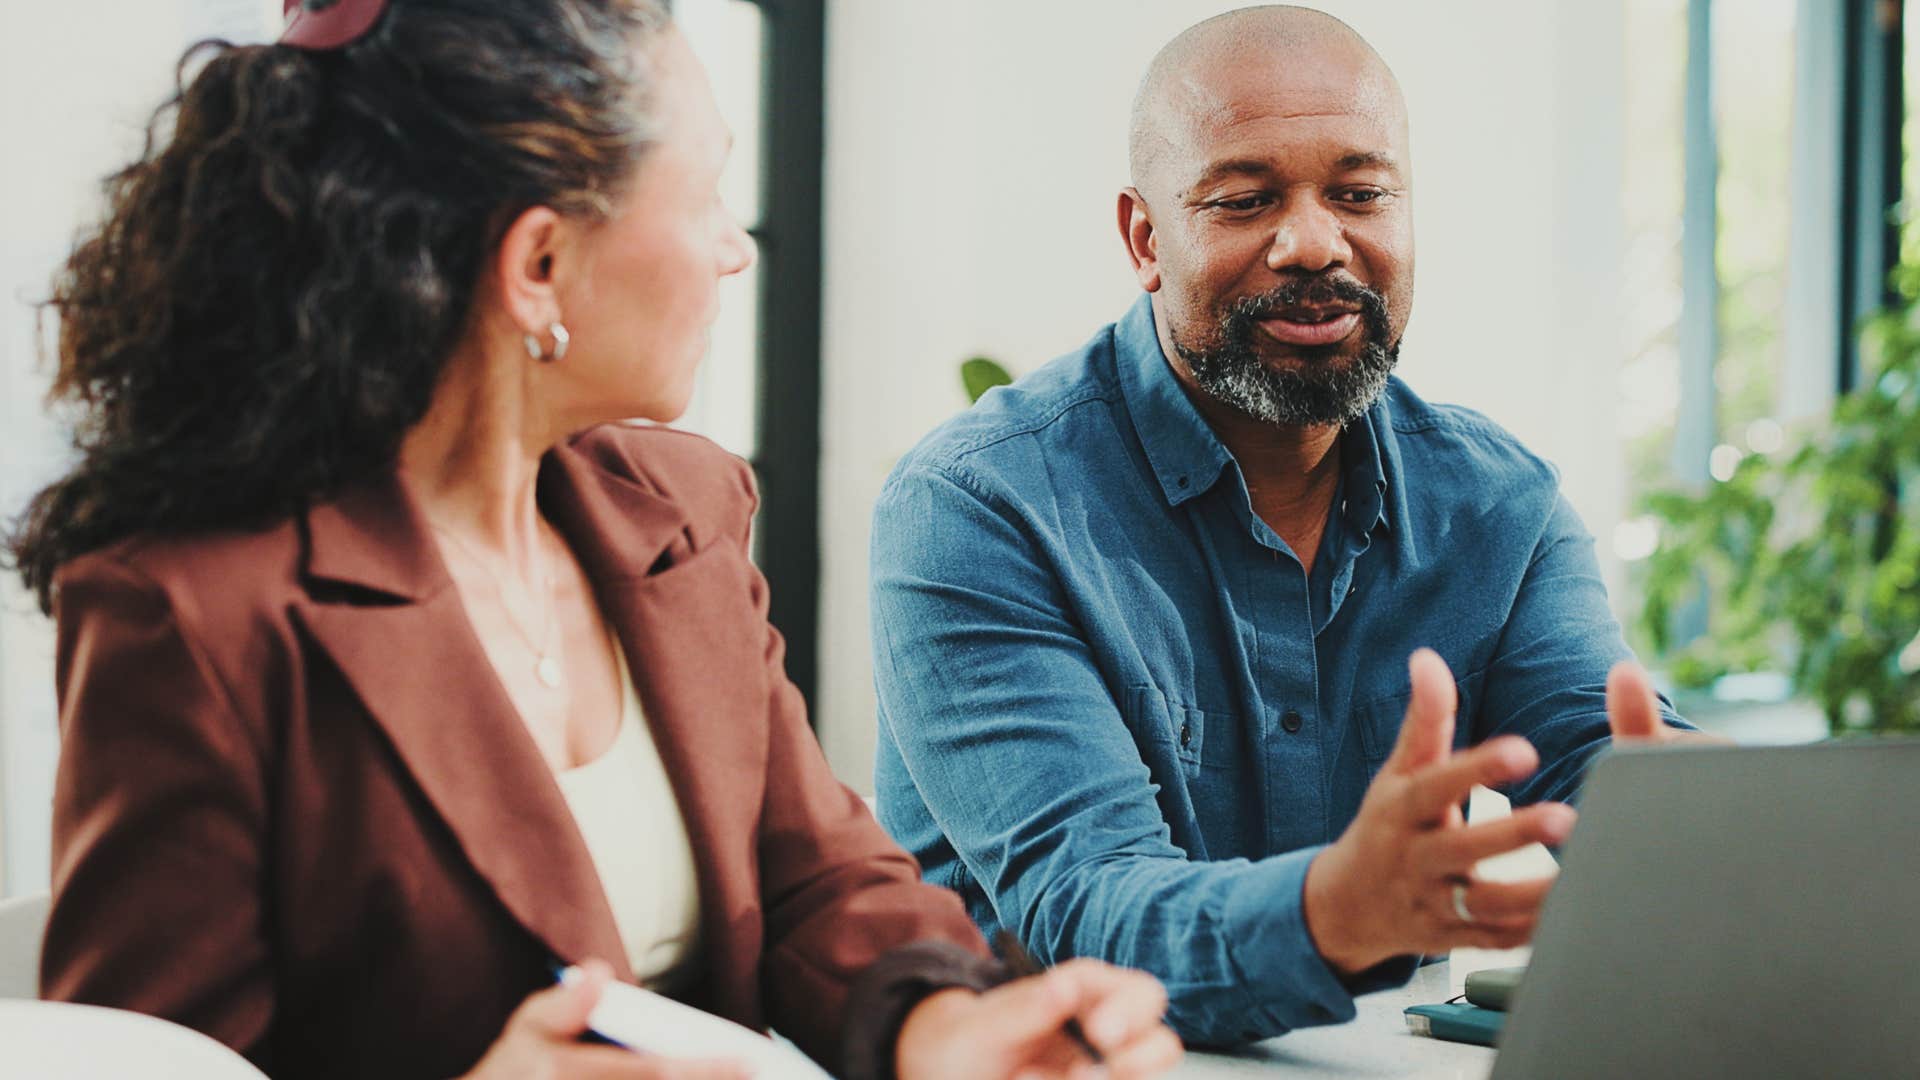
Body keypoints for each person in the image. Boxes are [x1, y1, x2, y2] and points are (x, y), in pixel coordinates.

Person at [8, 2, 1185, 1078]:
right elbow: (135, 1062)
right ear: (538, 266)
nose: (735, 249)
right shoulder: (192, 611)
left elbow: (817, 883)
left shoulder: (685, 512)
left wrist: (949, 1029)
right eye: (707, 194)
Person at [869, 4, 1709, 1048]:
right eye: (1244, 199)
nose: (1316, 242)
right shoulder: (979, 510)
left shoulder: (1499, 506)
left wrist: (1707, 833)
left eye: (1361, 195)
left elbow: (1611, 766)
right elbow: (1086, 908)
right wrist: (1337, 909)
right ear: (1145, 237)